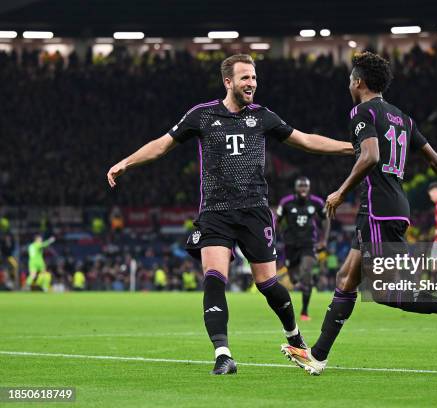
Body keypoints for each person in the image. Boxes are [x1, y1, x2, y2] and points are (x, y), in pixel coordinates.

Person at [107, 54, 353, 375]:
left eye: (253, 77)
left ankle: (294, 336)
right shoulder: (202, 115)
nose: (251, 83)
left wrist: (352, 148)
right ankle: (223, 354)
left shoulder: (262, 117)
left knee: (267, 283)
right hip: (216, 213)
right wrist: (127, 161)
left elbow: (305, 140)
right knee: (214, 278)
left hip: (255, 212)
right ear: (228, 82)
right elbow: (162, 144)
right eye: (244, 78)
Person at [281, 52, 437, 375]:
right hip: (392, 206)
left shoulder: (362, 112)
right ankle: (316, 356)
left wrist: (340, 191)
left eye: (349, 79)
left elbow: (370, 155)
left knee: (388, 292)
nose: (348, 84)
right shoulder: (403, 118)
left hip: (378, 209)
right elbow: (436, 160)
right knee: (346, 278)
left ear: (358, 82)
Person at [276, 176, 330, 321]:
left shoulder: (316, 202)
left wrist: (323, 240)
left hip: (309, 243)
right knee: (293, 279)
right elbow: (277, 221)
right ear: (296, 188)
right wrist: (280, 235)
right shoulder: (286, 202)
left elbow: (325, 219)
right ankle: (298, 282)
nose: (303, 189)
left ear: (309, 188)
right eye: (300, 186)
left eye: (305, 186)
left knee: (306, 272)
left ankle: (304, 311)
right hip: (291, 245)